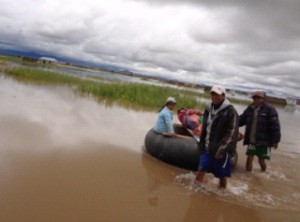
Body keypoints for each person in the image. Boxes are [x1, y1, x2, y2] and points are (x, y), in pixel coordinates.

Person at [195, 85, 239, 189]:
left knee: (222, 176)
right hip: (207, 148)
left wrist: (222, 149)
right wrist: (201, 143)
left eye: (217, 95)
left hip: (221, 151)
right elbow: (205, 127)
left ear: (223, 96)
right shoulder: (208, 109)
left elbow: (232, 133)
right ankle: (195, 192)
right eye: (213, 94)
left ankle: (222, 193)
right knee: (201, 170)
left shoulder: (231, 111)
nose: (214, 96)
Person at [239, 91, 281, 172]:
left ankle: (263, 174)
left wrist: (275, 141)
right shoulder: (250, 108)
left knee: (261, 161)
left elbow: (275, 126)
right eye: (254, 97)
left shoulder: (270, 109)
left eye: (258, 98)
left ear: (263, 99)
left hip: (264, 141)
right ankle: (248, 178)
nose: (255, 99)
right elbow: (241, 119)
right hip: (252, 140)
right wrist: (231, 124)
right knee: (249, 160)